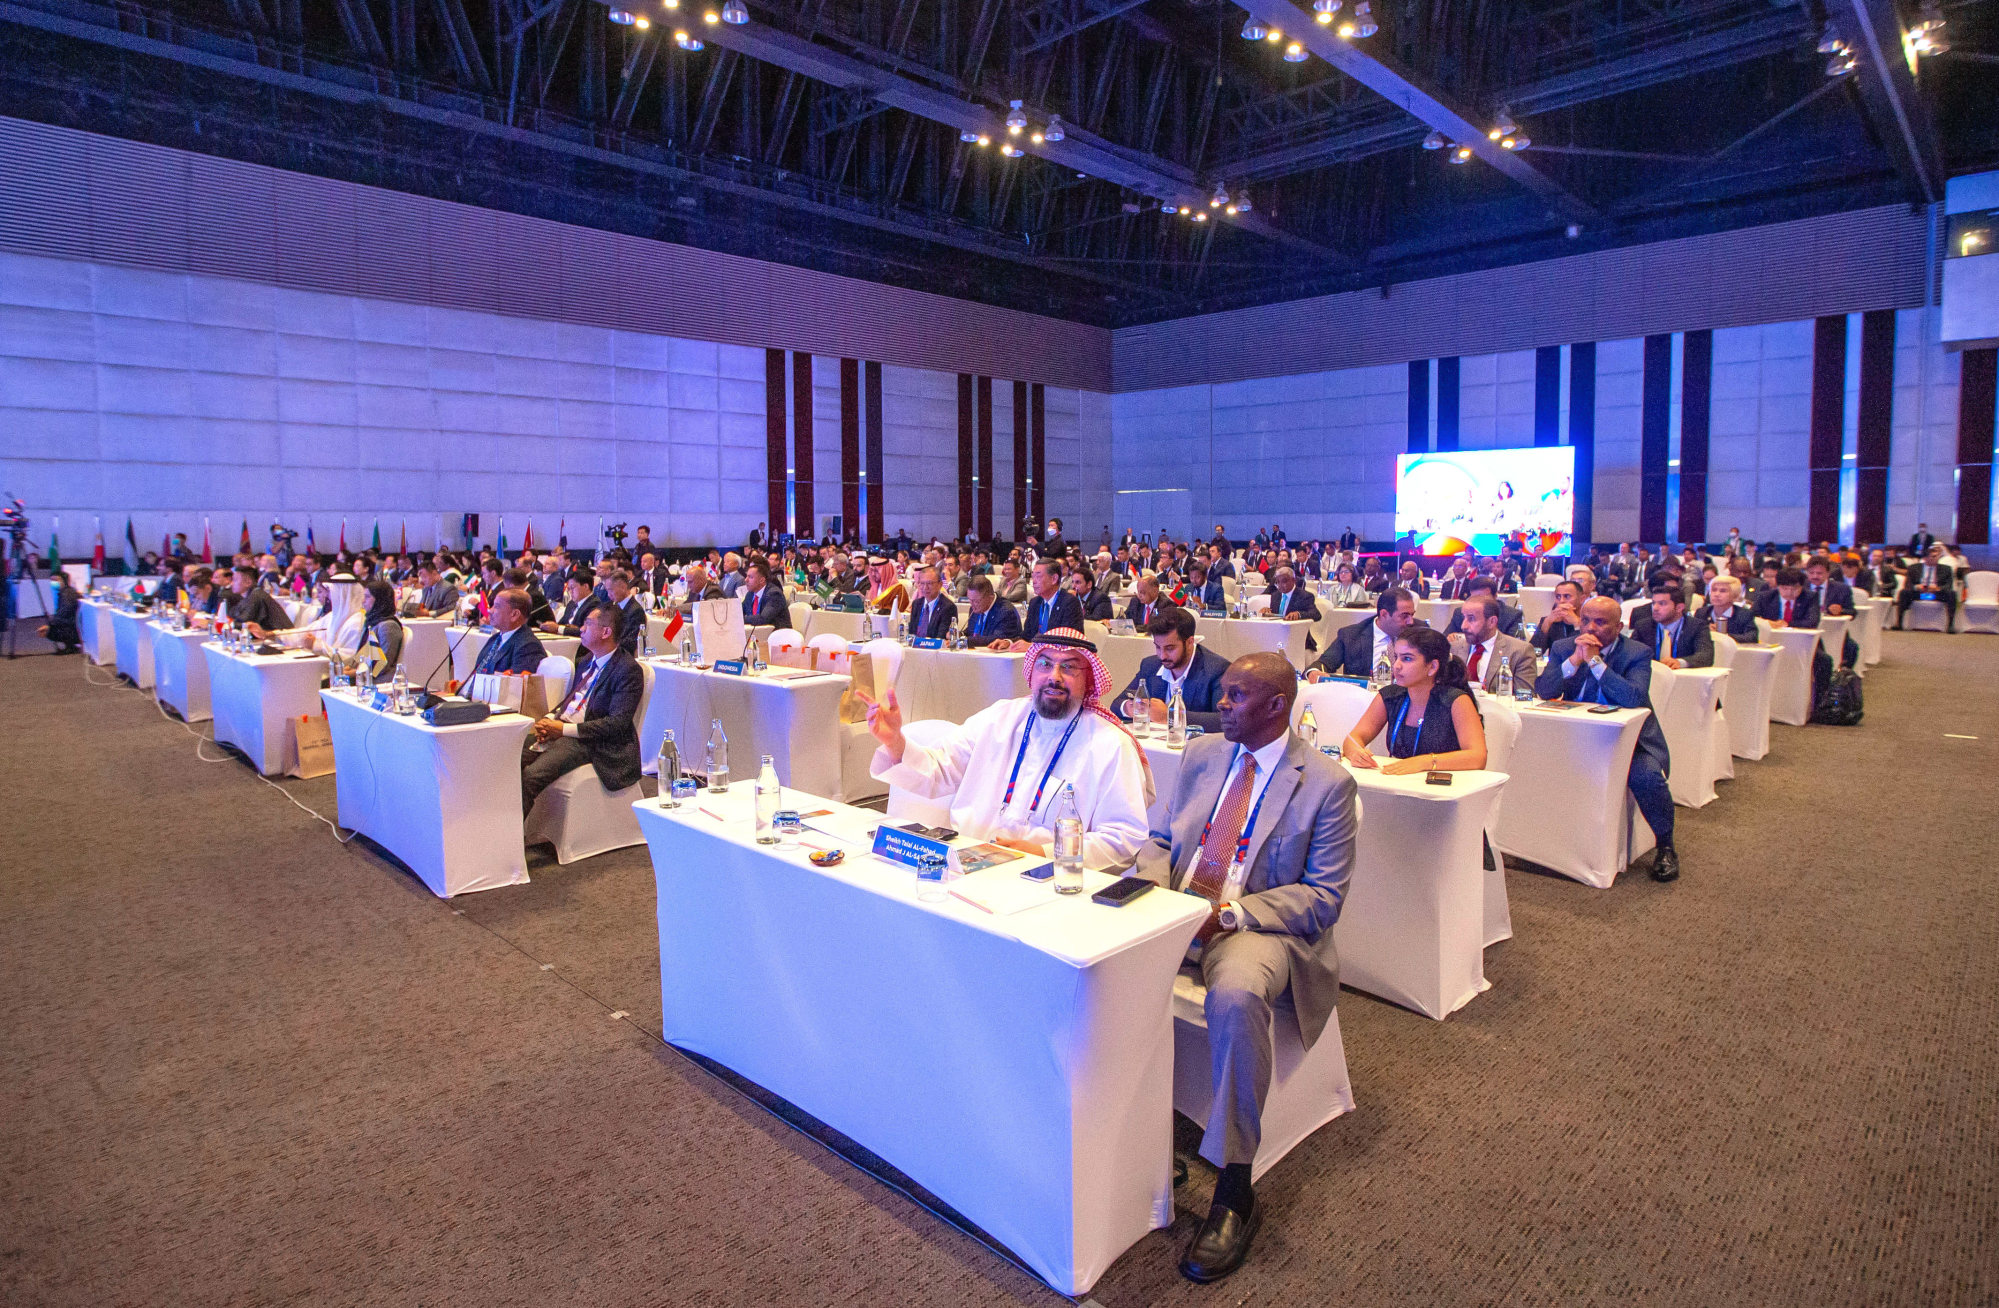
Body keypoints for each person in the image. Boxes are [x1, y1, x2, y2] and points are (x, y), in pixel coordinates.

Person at [1131, 651, 1355, 1283]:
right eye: (1222, 695)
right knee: (1092, 960)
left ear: (1275, 706)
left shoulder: (1327, 785)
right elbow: (1161, 842)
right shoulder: (1202, 756)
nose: (1219, 704)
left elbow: (1323, 898)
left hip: (1255, 924)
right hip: (1175, 907)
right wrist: (1150, 891)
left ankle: (1234, 1187)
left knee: (1234, 996)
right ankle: (1129, 1131)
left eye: (1233, 696)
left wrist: (1227, 914)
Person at [861, 630, 1151, 867]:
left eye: (1070, 667)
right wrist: (894, 741)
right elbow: (939, 771)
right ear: (1032, 670)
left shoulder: (1110, 744)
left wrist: (1046, 854)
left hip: (1048, 877)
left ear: (1088, 678)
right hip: (967, 864)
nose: (1055, 676)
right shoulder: (999, 718)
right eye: (1045, 664)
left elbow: (1123, 835)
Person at [1534, 597, 1678, 882]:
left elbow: (1633, 698)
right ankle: (1543, 846)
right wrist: (1574, 661)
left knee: (1647, 777)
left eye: (1600, 622)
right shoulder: (1564, 647)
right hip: (1577, 736)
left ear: (1619, 626)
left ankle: (1666, 845)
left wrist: (1596, 662)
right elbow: (1544, 690)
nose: (1590, 627)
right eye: (1586, 620)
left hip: (1631, 740)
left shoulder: (1636, 652)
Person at [520, 606, 645, 815]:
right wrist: (549, 719)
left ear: (606, 632)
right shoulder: (586, 661)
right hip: (563, 728)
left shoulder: (627, 670)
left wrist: (562, 730)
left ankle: (512, 843)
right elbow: (570, 700)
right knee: (507, 758)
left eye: (588, 624)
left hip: (593, 741)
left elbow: (617, 724)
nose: (581, 629)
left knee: (531, 776)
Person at [1342, 626, 1488, 773]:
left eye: (1407, 659)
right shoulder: (1390, 696)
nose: (1396, 666)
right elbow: (1353, 738)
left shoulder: (1456, 700)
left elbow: (1477, 757)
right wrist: (1356, 752)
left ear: (1432, 667)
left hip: (1445, 788)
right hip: (1398, 784)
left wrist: (1425, 762)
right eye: (1396, 657)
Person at [1116, 608, 1232, 731]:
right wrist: (1130, 708)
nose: (1162, 656)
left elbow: (1225, 719)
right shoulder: (1151, 665)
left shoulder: (1217, 669)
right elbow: (1116, 704)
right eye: (1158, 647)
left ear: (1189, 642)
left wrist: (1171, 715)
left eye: (1170, 648)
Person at [1306, 587, 1414, 681]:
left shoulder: (1418, 633)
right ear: (1384, 614)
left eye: (1412, 615)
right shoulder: (1352, 635)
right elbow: (1325, 662)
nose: (1411, 621)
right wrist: (1314, 672)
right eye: (1404, 616)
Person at [1447, 594, 1539, 691]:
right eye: (1463, 618)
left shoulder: (1520, 651)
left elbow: (1524, 698)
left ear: (1492, 622)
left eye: (1471, 618)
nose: (1463, 626)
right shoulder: (1454, 648)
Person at [464, 588, 548, 678]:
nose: (490, 611)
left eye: (496, 606)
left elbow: (514, 686)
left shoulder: (529, 646)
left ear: (514, 614)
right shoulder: (495, 638)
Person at [1629, 583, 1714, 669]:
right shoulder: (1643, 626)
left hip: (1683, 677)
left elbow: (1705, 656)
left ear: (1679, 608)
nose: (1655, 608)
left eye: (1662, 604)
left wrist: (1680, 662)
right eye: (1653, 603)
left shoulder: (1697, 626)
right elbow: (1630, 653)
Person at [1013, 558, 1083, 646]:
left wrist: (1034, 646)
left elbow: (1068, 641)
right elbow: (1026, 636)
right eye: (1033, 576)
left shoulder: (1069, 603)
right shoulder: (1035, 602)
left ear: (1054, 579)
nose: (1034, 581)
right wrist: (1009, 642)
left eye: (1038, 576)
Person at [220, 565, 292, 639]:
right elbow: (234, 615)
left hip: (282, 639)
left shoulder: (257, 595)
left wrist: (229, 623)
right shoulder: (250, 595)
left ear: (248, 582)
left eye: (234, 580)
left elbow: (244, 622)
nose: (231, 583)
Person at [1896, 545, 1956, 631]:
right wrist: (1916, 587)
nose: (1936, 559)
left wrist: (1938, 588)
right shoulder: (1914, 568)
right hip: (1919, 593)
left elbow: (1948, 585)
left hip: (1936, 594)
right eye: (1933, 556)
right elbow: (1908, 584)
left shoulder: (1946, 569)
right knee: (1904, 593)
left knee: (1952, 594)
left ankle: (1950, 625)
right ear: (1925, 558)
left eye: (1938, 556)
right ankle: (1899, 623)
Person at [354, 579, 405, 677]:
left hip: (378, 682)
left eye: (367, 597)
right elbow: (362, 657)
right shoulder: (373, 622)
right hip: (364, 676)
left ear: (380, 600)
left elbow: (381, 665)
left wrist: (354, 673)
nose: (363, 601)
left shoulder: (388, 626)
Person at [961, 576, 1021, 647]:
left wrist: (964, 641)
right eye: (970, 600)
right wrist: (960, 634)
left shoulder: (1005, 611)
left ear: (990, 597)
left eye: (976, 601)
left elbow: (996, 639)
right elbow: (972, 633)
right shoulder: (974, 608)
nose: (972, 604)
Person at [1754, 568, 1821, 629]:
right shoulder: (1765, 597)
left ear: (1802, 586)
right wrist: (1768, 623)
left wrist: (1786, 624)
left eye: (1795, 588)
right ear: (1778, 586)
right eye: (1785, 588)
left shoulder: (1810, 597)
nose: (1789, 592)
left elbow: (1812, 622)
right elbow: (1753, 618)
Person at [906, 565, 958, 640]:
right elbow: (912, 633)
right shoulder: (917, 604)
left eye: (929, 583)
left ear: (940, 584)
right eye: (922, 583)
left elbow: (942, 637)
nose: (925, 587)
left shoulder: (948, 607)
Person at [740, 559, 791, 634]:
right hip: (757, 634)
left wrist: (740, 619)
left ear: (762, 580)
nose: (746, 580)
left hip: (778, 636)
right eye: (746, 576)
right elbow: (739, 612)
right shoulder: (750, 594)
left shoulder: (774, 594)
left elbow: (763, 619)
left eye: (750, 577)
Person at [38, 570, 81, 653]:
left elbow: (65, 611)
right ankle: (70, 645)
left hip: (72, 627)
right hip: (73, 624)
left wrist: (50, 625)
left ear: (63, 581)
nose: (53, 582)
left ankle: (70, 645)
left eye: (56, 580)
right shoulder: (66, 592)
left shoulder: (67, 594)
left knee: (50, 630)